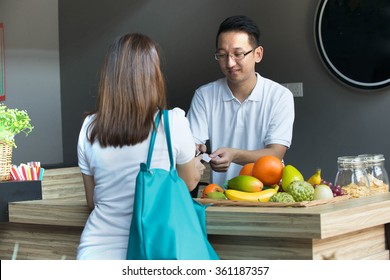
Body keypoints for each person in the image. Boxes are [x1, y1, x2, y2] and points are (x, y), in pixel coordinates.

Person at [76, 33, 205, 260]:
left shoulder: (89, 128)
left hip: (95, 252)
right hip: (154, 251)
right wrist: (195, 166)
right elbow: (188, 183)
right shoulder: (173, 122)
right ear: (152, 76)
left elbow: (92, 199)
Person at [187, 15, 294, 186]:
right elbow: (191, 145)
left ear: (257, 54)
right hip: (221, 195)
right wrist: (194, 149)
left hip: (268, 192)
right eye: (222, 55)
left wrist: (234, 155)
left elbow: (275, 153)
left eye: (238, 54)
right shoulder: (204, 95)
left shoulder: (279, 96)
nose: (230, 63)